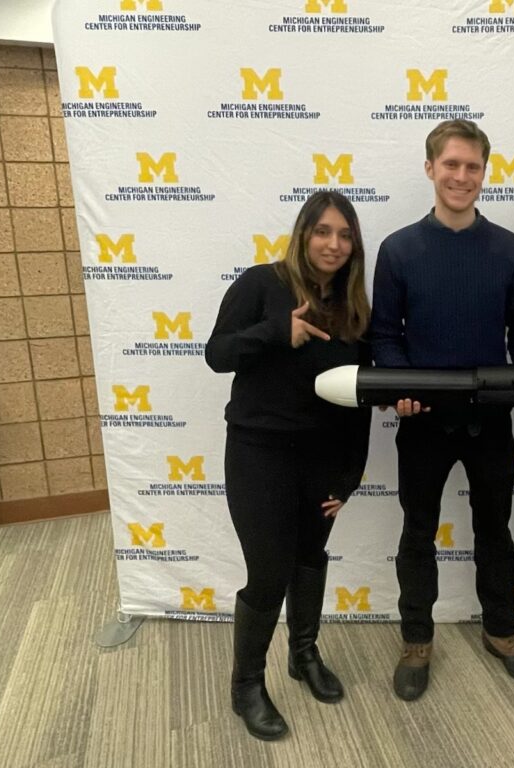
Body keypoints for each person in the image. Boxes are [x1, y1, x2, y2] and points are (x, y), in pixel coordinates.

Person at [371, 119, 514, 701]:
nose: (461, 176)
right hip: (421, 419)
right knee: (417, 531)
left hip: (491, 417)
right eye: (451, 165)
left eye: (472, 167)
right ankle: (416, 640)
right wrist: (400, 386)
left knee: (495, 530)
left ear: (483, 174)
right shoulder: (398, 249)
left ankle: (502, 631)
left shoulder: (508, 250)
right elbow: (385, 334)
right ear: (430, 169)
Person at [205, 191, 372, 740]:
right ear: (303, 234)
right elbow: (218, 354)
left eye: (345, 235)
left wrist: (351, 476)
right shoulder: (262, 284)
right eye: (323, 231)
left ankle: (304, 655)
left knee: (310, 558)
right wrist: (279, 332)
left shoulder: (352, 308)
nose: (334, 244)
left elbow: (359, 400)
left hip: (323, 459)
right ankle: (246, 685)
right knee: (269, 571)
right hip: (259, 452)